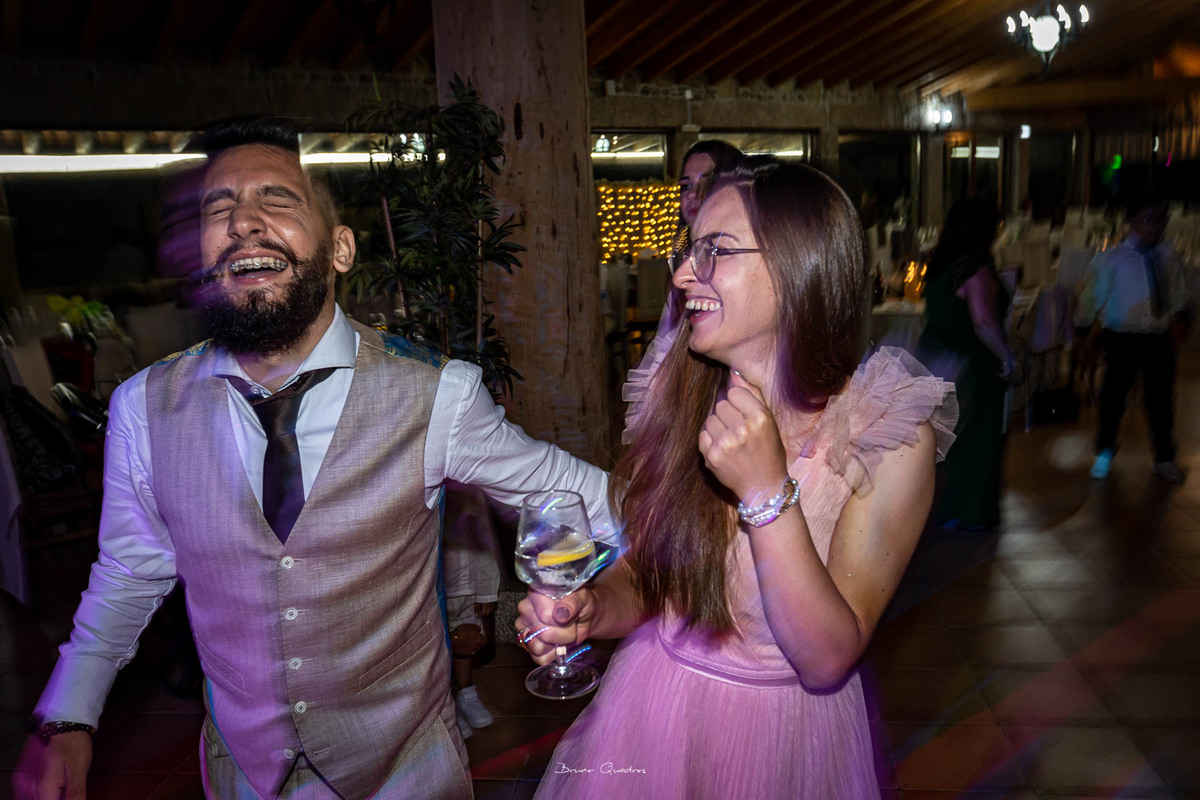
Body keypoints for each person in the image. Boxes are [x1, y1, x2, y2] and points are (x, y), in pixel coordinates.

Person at [16, 119, 613, 800]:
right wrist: (69, 714)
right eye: (218, 208)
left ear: (341, 248)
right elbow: (129, 571)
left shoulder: (436, 394)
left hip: (405, 769)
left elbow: (582, 497)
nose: (242, 222)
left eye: (277, 199)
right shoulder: (142, 408)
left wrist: (687, 559)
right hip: (244, 771)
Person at [517, 157, 956, 799]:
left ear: (797, 267)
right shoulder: (678, 395)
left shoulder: (885, 434)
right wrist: (591, 610)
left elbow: (828, 658)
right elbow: (652, 581)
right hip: (652, 711)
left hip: (782, 739)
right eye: (689, 250)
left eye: (714, 251)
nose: (681, 275)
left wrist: (766, 493)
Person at [1075, 192, 1191, 482]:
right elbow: (1091, 296)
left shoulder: (1168, 255)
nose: (1156, 225)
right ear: (1131, 222)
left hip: (1158, 336)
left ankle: (1164, 457)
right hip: (1122, 337)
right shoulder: (1112, 259)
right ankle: (1104, 451)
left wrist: (1181, 318)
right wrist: (1083, 329)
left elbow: (1178, 291)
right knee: (1113, 398)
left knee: (1161, 399)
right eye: (1148, 219)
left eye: (1161, 218)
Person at [916, 197, 1015, 530]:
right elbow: (983, 321)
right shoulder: (975, 266)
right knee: (978, 437)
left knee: (948, 439)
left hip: (938, 355)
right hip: (973, 362)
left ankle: (944, 510)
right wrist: (1008, 357)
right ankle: (970, 513)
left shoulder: (941, 262)